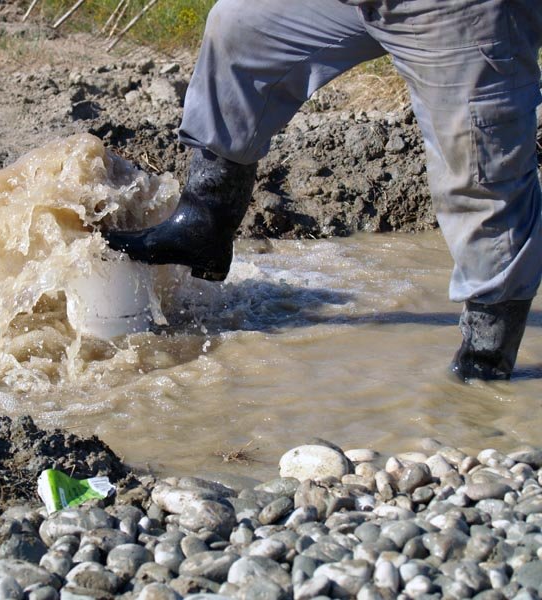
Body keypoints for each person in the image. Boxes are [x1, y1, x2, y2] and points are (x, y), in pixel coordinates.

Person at [104, 0, 542, 381]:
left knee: (481, 179)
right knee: (239, 27)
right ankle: (204, 221)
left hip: (459, 11)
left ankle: (485, 362)